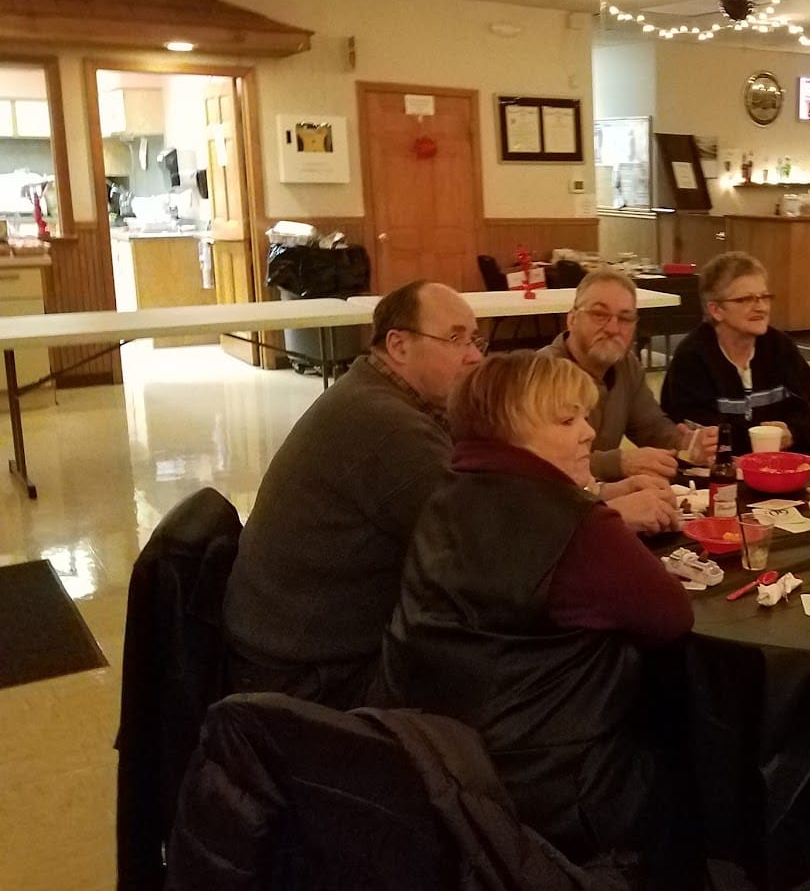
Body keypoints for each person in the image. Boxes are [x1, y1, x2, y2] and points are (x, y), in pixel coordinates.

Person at [224, 281, 677, 710]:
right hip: (309, 673)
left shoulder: (389, 397)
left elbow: (494, 490)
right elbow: (491, 549)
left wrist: (601, 487)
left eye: (475, 340)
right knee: (596, 663)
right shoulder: (386, 424)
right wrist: (610, 513)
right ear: (399, 345)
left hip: (307, 643)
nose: (473, 357)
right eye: (456, 339)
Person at [377, 352, 693, 868]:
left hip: (432, 755)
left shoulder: (449, 492)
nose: (589, 433)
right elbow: (671, 616)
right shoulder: (574, 523)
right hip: (548, 781)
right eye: (567, 420)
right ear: (510, 431)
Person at [541, 267, 717, 481]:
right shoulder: (544, 374)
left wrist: (687, 443)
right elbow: (549, 462)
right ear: (572, 319)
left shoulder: (625, 364)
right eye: (599, 315)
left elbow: (650, 427)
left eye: (625, 318)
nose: (613, 328)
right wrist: (621, 463)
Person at [661, 251, 810, 456]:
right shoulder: (692, 358)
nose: (761, 307)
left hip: (781, 467)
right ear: (716, 310)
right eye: (746, 299)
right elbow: (707, 437)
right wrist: (766, 437)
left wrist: (792, 433)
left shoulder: (781, 348)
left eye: (764, 297)